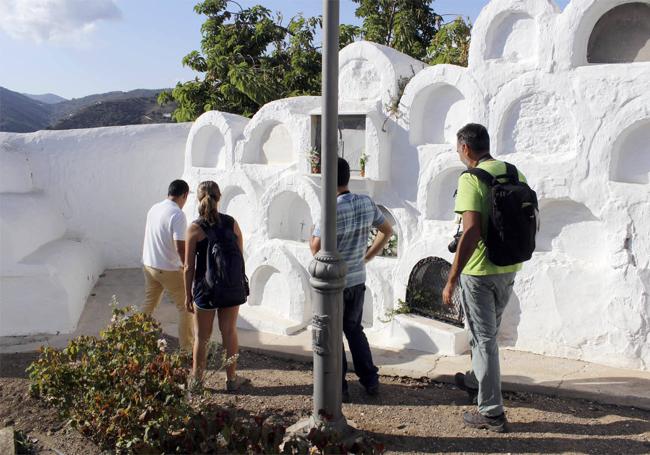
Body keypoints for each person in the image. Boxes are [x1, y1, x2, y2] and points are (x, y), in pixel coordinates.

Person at [443, 123, 527, 433]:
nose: (458, 152)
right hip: (509, 267)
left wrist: (452, 278)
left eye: (457, 147)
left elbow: (471, 231)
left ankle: (491, 412)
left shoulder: (470, 179)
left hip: (479, 272)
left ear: (465, 148)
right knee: (488, 335)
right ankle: (475, 380)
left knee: (483, 339)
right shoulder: (514, 172)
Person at [310, 157, 393, 402]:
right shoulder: (367, 203)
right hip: (357, 278)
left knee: (333, 335)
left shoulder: (331, 209)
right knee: (355, 331)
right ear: (348, 177)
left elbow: (315, 247)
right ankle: (370, 380)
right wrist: (366, 256)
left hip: (335, 284)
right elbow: (386, 230)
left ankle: (339, 386)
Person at [184, 180, 250, 392]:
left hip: (206, 290)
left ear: (198, 199)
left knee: (202, 337)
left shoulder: (195, 228)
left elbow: (188, 267)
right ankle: (231, 380)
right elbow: (240, 255)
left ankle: (197, 382)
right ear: (219, 198)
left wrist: (188, 294)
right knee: (229, 332)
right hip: (231, 288)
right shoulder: (232, 223)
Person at [142, 179, 194, 353]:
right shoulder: (177, 214)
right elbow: (180, 247)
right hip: (168, 269)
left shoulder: (154, 208)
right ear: (184, 195)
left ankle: (133, 337)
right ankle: (187, 349)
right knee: (186, 307)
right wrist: (186, 266)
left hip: (149, 264)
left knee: (149, 304)